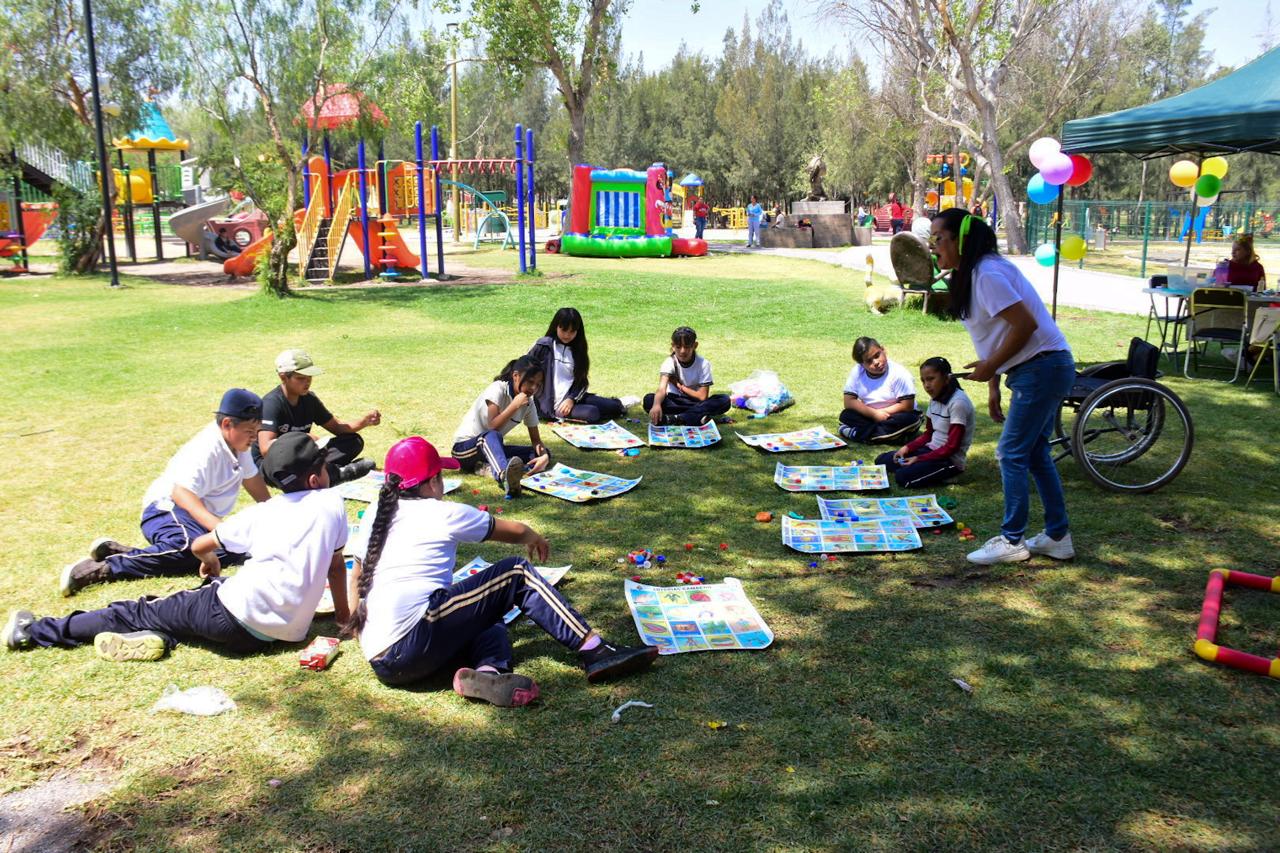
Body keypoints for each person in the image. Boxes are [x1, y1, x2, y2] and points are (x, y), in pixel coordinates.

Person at [343, 437, 658, 706]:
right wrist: (532, 536)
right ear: (432, 481)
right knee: (516, 573)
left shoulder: (375, 512)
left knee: (488, 619)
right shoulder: (442, 513)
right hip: (415, 639)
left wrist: (360, 631)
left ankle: (487, 674)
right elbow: (513, 531)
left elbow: (356, 576)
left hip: (384, 660)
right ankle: (595, 649)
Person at [5, 433, 350, 661]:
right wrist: (344, 620)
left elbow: (201, 544)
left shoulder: (262, 514)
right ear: (316, 479)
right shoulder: (334, 504)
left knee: (134, 609)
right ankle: (158, 638)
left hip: (230, 615)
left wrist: (209, 559)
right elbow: (336, 568)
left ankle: (32, 632)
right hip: (282, 634)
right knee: (180, 612)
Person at [929, 208, 1077, 565]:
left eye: (939, 239)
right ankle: (1058, 536)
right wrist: (994, 383)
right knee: (1035, 452)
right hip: (1038, 369)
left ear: (961, 240)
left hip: (1042, 368)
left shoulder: (987, 275)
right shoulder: (977, 273)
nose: (934, 248)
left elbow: (1023, 326)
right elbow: (998, 333)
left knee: (1010, 453)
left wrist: (992, 367)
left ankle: (1012, 540)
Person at [59, 389, 271, 597]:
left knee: (239, 548)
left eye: (257, 431)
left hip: (192, 519)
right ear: (227, 424)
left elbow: (252, 480)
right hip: (165, 509)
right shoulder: (207, 448)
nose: (254, 438)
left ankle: (118, 551)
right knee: (187, 547)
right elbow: (181, 494)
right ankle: (99, 569)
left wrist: (276, 513)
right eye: (250, 432)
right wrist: (221, 529)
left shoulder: (237, 444)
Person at [257, 349, 380, 486]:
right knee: (294, 469)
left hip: (303, 455)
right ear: (283, 377)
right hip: (274, 464)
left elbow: (337, 428)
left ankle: (324, 471)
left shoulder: (309, 399)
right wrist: (302, 439)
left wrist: (364, 422)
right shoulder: (272, 404)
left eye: (309, 377)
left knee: (353, 441)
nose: (307, 382)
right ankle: (338, 473)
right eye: (301, 378)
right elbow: (265, 448)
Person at [452, 355, 551, 497]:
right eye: (530, 382)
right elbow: (492, 426)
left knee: (540, 453)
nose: (533, 388)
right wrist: (514, 405)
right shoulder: (497, 389)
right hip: (464, 449)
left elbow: (536, 440)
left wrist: (544, 456)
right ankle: (505, 477)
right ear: (516, 376)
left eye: (538, 384)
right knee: (492, 435)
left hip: (490, 450)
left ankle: (487, 467)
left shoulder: (528, 402)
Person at [874, 357, 975, 487]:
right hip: (930, 451)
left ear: (946, 378)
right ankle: (920, 467)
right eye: (923, 380)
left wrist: (918, 459)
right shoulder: (935, 398)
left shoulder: (958, 403)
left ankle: (950, 475)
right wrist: (906, 448)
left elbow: (952, 447)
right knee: (882, 460)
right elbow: (928, 434)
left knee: (903, 477)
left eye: (931, 379)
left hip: (949, 460)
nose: (927, 385)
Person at [527, 307, 635, 424]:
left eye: (572, 331)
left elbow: (582, 381)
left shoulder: (578, 351)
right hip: (550, 406)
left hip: (572, 398)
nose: (567, 335)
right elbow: (523, 369)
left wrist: (571, 399)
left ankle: (618, 404)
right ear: (556, 326)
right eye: (564, 330)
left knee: (612, 406)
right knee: (592, 413)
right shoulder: (543, 345)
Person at [838, 337, 922, 444]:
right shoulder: (857, 371)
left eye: (877, 355)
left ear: (883, 350)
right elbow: (849, 401)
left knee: (910, 420)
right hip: (870, 414)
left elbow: (907, 405)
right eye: (869, 361)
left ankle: (857, 434)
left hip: (894, 415)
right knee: (846, 415)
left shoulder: (900, 373)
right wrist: (874, 414)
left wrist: (882, 413)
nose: (876, 362)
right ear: (861, 364)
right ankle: (892, 436)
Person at [645, 326, 731, 427]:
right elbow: (661, 388)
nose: (682, 351)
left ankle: (677, 418)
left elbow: (702, 396)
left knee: (724, 400)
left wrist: (680, 386)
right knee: (649, 399)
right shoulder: (669, 362)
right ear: (673, 346)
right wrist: (656, 405)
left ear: (695, 345)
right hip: (674, 402)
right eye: (678, 347)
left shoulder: (703, 364)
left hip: (695, 403)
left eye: (687, 347)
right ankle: (694, 418)